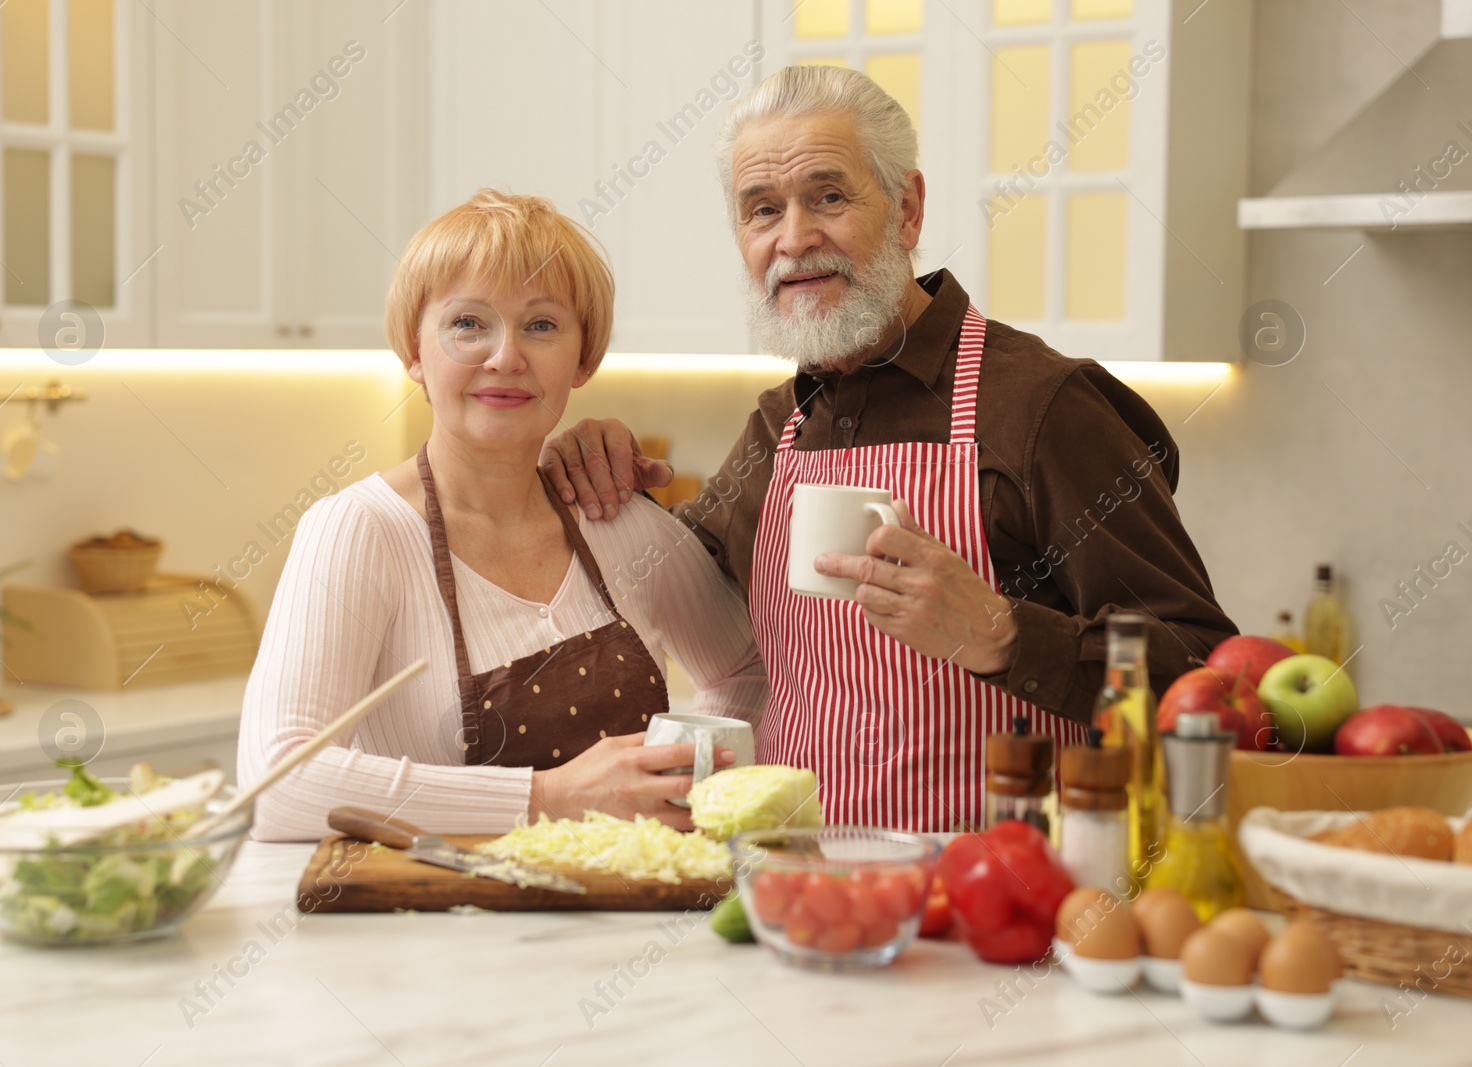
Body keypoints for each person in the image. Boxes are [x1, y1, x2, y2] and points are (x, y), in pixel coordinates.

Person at [541, 65, 1237, 832]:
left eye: (829, 197)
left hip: (1001, 903)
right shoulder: (781, 422)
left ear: (906, 209)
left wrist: (1006, 634)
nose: (794, 238)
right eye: (762, 209)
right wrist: (603, 464)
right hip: (795, 892)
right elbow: (686, 583)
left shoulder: (1045, 406)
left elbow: (1208, 667)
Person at [239, 189, 766, 841]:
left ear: (584, 357)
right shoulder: (357, 530)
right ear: (413, 350)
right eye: (467, 323)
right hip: (438, 931)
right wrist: (548, 795)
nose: (505, 356)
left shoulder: (615, 519)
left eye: (541, 325)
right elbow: (277, 784)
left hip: (624, 913)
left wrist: (694, 777)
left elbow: (746, 666)